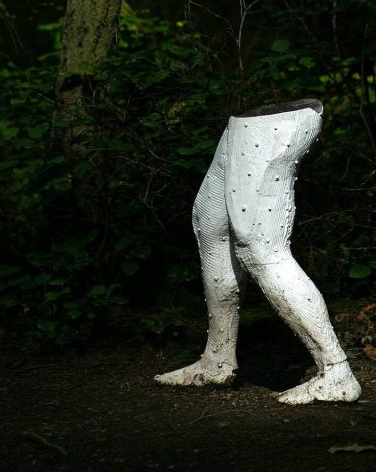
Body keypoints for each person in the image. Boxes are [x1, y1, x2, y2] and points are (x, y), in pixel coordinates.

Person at [154, 98, 361, 404]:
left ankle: (336, 372)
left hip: (274, 128)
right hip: (241, 124)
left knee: (261, 247)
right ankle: (217, 359)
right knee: (211, 222)